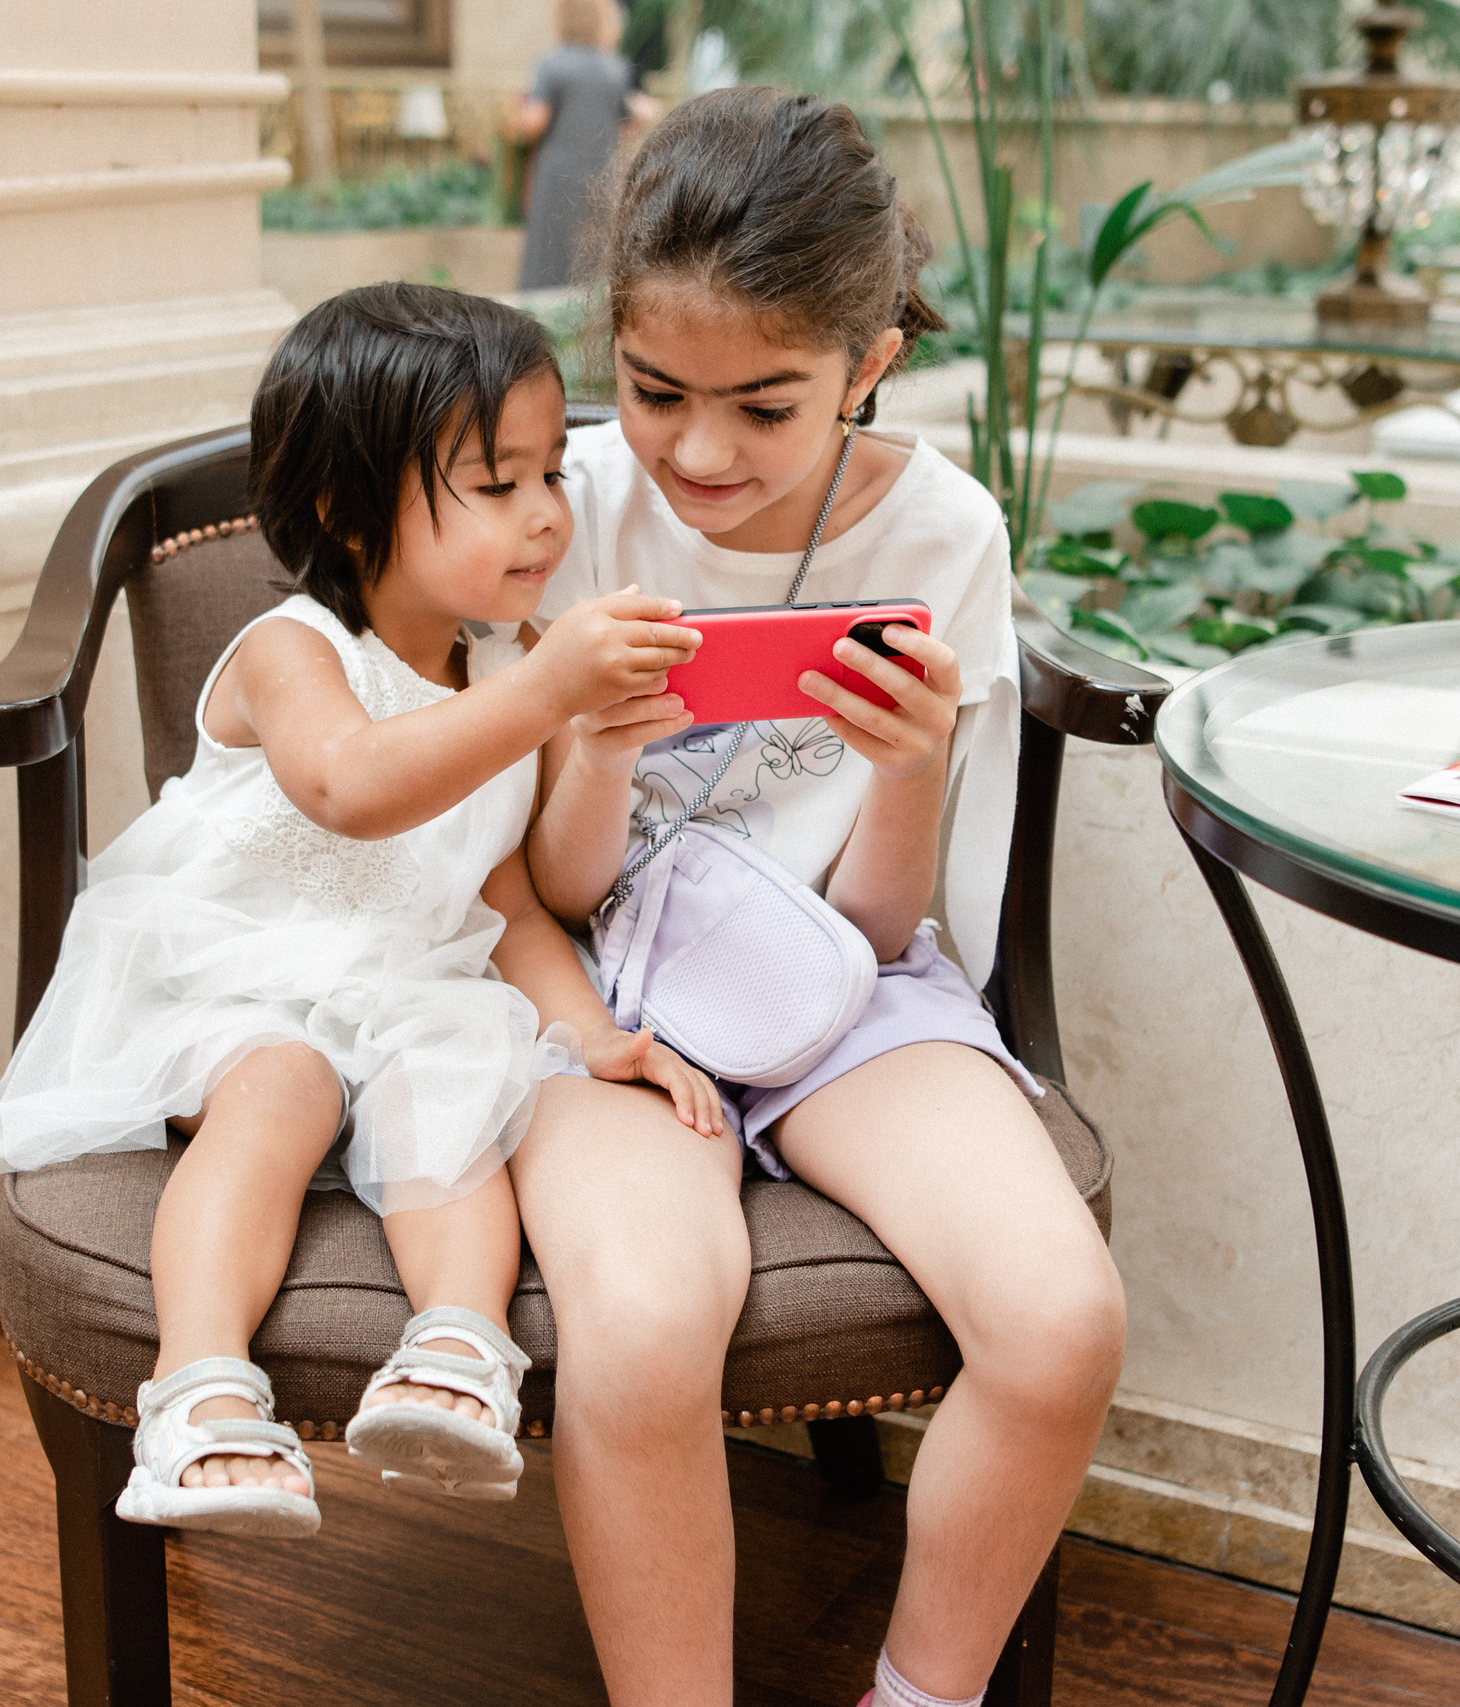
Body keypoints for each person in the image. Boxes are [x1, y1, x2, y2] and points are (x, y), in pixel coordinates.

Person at [512, 88, 1127, 1707]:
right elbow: (550, 889)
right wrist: (587, 746)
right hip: (599, 997)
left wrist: (912, 760)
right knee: (646, 1323)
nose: (700, 451)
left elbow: (869, 932)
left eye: (765, 406)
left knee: (1060, 1320)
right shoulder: (559, 512)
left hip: (840, 983)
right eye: (654, 391)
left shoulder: (944, 531)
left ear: (869, 362)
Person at [0, 283, 721, 1537]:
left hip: (409, 984)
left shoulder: (504, 663)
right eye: (497, 486)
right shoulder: (293, 648)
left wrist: (589, 1031)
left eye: (552, 476)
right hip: (245, 977)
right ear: (345, 507)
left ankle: (455, 1350)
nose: (546, 516)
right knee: (281, 1088)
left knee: (470, 1087)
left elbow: (500, 893)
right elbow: (351, 787)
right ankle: (198, 1387)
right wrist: (545, 693)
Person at [508, 0, 651, 290]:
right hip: (603, 173)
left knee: (551, 245)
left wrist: (511, 119)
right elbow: (623, 128)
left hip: (559, 174)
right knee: (594, 246)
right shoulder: (615, 68)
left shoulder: (553, 64)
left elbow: (535, 122)